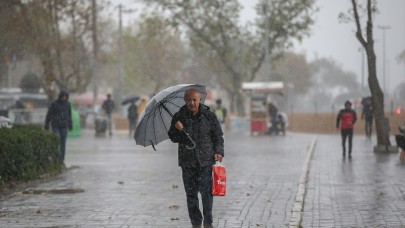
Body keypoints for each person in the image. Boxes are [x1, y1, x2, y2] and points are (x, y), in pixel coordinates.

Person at [168, 88, 224, 228]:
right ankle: (196, 223)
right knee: (191, 195)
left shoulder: (209, 116)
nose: (192, 103)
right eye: (189, 100)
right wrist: (177, 130)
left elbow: (218, 136)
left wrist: (219, 151)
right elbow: (173, 137)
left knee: (206, 193)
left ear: (200, 100)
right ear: (185, 101)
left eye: (194, 100)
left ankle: (208, 222)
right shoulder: (178, 116)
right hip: (187, 162)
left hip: (205, 161)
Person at [44, 90, 73, 162]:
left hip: (64, 126)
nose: (64, 98)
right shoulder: (54, 104)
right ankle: (55, 157)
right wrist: (46, 124)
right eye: (63, 96)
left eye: (65, 97)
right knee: (57, 140)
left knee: (63, 143)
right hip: (55, 125)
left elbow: (69, 115)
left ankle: (61, 159)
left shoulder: (68, 104)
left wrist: (70, 124)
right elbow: (49, 115)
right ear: (60, 96)